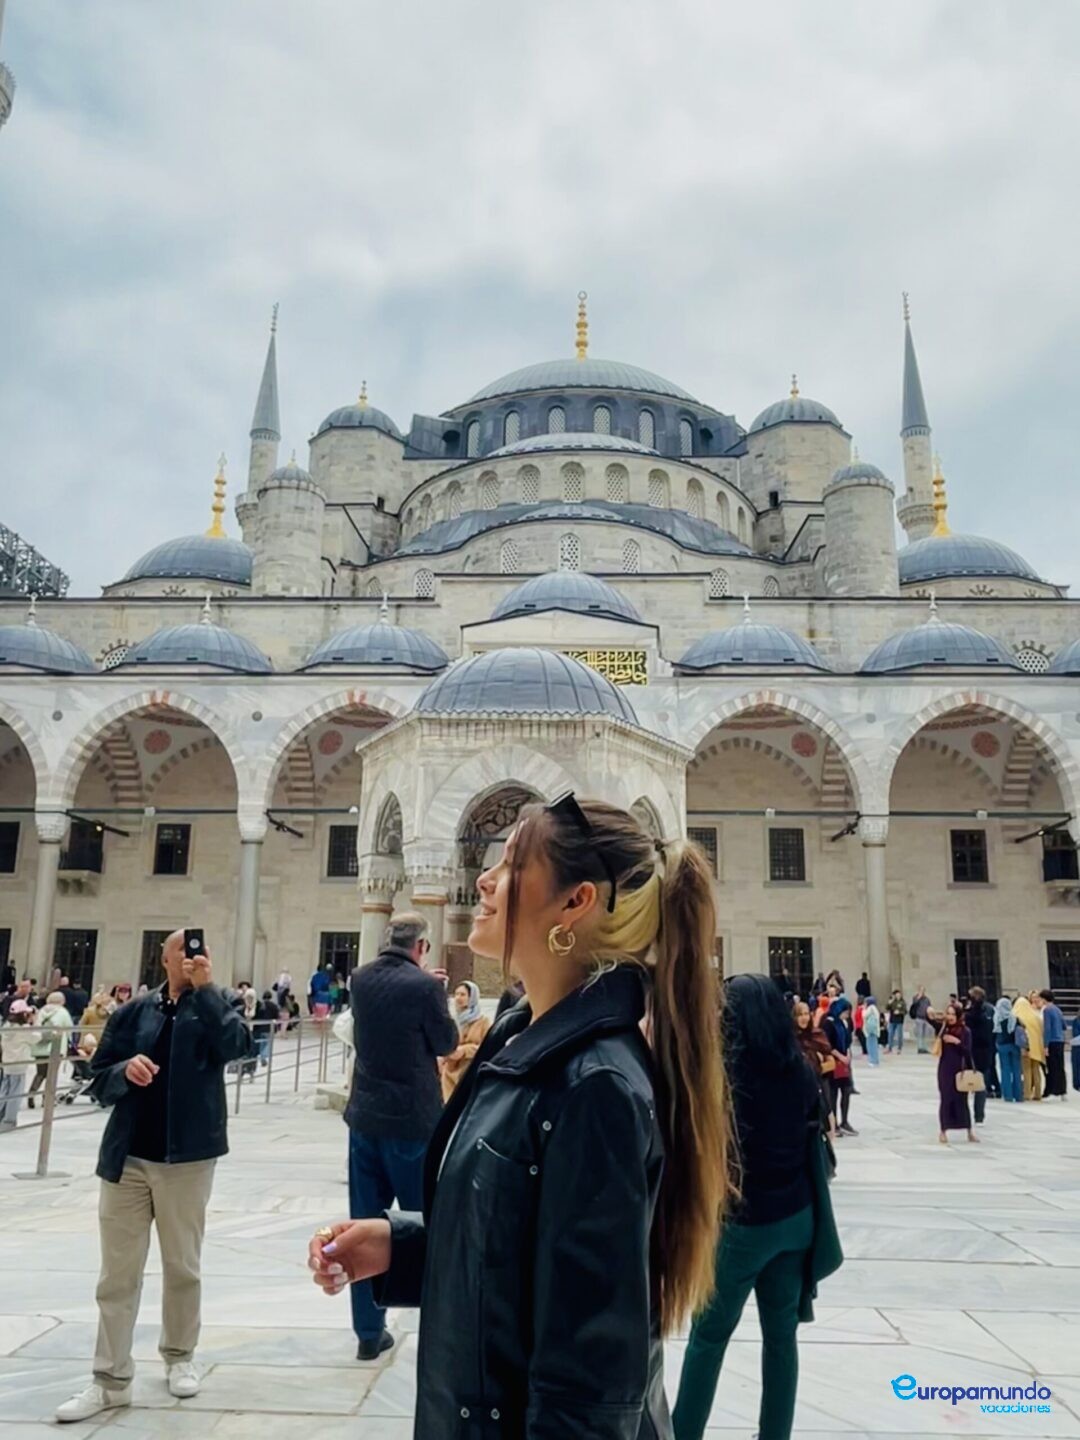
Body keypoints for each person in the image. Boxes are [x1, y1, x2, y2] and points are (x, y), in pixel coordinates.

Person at [308, 794, 732, 1438]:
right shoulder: (519, 1038)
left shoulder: (596, 1086)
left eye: (510, 864)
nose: (483, 878)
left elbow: (591, 1375)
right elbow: (522, 1255)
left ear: (574, 902)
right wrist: (405, 1246)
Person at [56, 930, 254, 1424]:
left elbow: (238, 1047)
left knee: (182, 1266)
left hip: (186, 1159)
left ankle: (179, 1356)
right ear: (163, 957)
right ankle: (109, 1379)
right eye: (180, 949)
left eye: (197, 950)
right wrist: (125, 1070)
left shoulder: (218, 1003)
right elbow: (96, 1077)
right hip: (127, 1160)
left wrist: (207, 992)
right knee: (116, 1276)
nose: (189, 957)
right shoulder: (133, 1012)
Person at [672, 975, 841, 1440]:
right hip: (796, 1219)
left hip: (743, 1227)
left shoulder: (725, 1076)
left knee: (708, 1338)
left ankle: (683, 1433)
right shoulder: (801, 1069)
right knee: (781, 1338)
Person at [342, 912, 458, 1361]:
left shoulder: (360, 977)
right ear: (422, 946)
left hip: (365, 1120)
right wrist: (436, 992)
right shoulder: (427, 987)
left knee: (361, 1225)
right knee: (424, 1225)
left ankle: (368, 1334)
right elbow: (445, 1042)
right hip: (412, 1125)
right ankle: (438, 1327)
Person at [933, 1001, 977, 1144]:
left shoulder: (965, 1031)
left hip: (960, 1069)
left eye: (953, 1014)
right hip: (945, 1069)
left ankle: (969, 1131)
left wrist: (956, 1042)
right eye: (948, 1014)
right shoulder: (943, 1029)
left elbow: (967, 1051)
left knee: (962, 1100)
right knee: (946, 1099)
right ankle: (943, 1131)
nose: (950, 1017)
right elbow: (928, 1018)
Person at [439, 980, 491, 1100]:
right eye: (456, 994)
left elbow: (488, 1047)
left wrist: (465, 1051)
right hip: (450, 1072)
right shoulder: (451, 1020)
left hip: (470, 1071)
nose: (458, 998)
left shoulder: (483, 1021)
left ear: (472, 997)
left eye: (463, 995)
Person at [793, 999, 837, 1140]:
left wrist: (812, 1070)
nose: (804, 1018)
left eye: (806, 1014)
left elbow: (831, 1064)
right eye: (800, 1015)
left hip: (818, 1086)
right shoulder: (789, 1038)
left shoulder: (817, 1036)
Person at [28, 991, 74, 1107]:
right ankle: (47, 1099)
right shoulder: (63, 1012)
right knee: (51, 1075)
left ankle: (31, 1094)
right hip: (55, 1048)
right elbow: (69, 1029)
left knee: (40, 1073)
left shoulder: (42, 1011)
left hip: (39, 1047)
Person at [821, 997, 857, 1135]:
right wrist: (840, 1056)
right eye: (845, 1011)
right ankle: (833, 1123)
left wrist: (847, 1054)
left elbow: (847, 1041)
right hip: (834, 1062)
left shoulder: (843, 1023)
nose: (847, 1015)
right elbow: (827, 1044)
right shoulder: (828, 1023)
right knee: (833, 1094)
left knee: (846, 1090)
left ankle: (845, 1120)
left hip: (843, 1062)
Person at [0, 999, 36, 1129]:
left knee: (4, 1090)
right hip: (19, 1063)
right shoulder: (24, 1029)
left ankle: (1, 1116)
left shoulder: (6, 1026)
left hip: (7, 1062)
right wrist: (34, 1022)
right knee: (16, 1092)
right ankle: (9, 1120)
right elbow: (36, 1038)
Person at [963, 986, 996, 1121]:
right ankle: (979, 1116)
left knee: (965, 1084)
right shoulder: (990, 1010)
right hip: (986, 1051)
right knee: (981, 1086)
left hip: (972, 1052)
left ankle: (965, 1114)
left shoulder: (970, 1014)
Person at [1014, 993, 1045, 1101]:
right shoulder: (1035, 1016)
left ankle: (1027, 1093)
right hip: (1037, 1047)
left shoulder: (1020, 1017)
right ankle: (1038, 1093)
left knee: (1026, 1071)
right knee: (1036, 1071)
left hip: (1026, 1048)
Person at [994, 996, 1023, 1103]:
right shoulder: (1015, 1018)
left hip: (1002, 1046)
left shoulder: (997, 1018)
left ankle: (1008, 1095)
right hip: (1014, 1045)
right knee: (1016, 1070)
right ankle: (1019, 1095)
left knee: (1005, 1070)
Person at [1040, 989, 1067, 1099]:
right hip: (1060, 1040)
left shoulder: (1047, 1010)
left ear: (1044, 999)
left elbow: (1047, 1028)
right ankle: (1062, 1091)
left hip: (1052, 1041)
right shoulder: (1057, 1010)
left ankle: (1053, 1090)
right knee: (1060, 1066)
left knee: (1052, 1067)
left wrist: (1045, 1045)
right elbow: (1064, 1025)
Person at [910, 986, 933, 1053]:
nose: (922, 992)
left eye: (923, 990)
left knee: (925, 1034)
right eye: (921, 990)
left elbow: (929, 1007)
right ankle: (920, 1048)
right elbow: (914, 1004)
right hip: (919, 1018)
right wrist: (919, 998)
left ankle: (924, 1047)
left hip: (925, 1018)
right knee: (920, 1034)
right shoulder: (915, 998)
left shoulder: (927, 999)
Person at [863, 996, 881, 1067]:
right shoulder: (875, 1008)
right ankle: (875, 1060)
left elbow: (864, 1015)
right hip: (874, 1029)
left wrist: (864, 1009)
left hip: (871, 1030)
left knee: (871, 1046)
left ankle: (872, 1060)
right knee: (874, 1045)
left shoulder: (870, 1008)